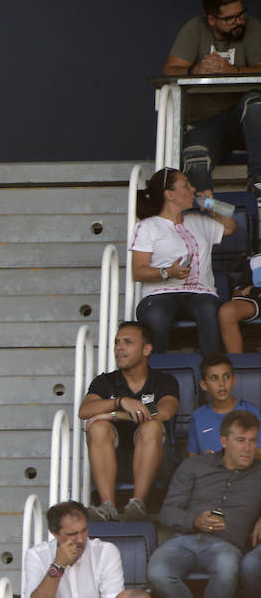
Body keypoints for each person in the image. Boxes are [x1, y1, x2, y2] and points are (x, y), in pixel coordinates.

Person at [149, 409, 261, 598]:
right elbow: (168, 511)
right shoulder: (195, 466)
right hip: (183, 540)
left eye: (253, 441)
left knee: (227, 569)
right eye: (241, 440)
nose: (248, 448)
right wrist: (195, 521)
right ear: (224, 441)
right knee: (158, 572)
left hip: (226, 546)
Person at [162, 0, 261, 202]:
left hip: (244, 121)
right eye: (230, 18)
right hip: (205, 121)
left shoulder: (252, 27)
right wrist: (194, 70)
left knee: (256, 104)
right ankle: (204, 217)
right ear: (211, 19)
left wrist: (233, 71)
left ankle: (259, 189)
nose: (239, 21)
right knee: (194, 158)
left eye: (241, 14)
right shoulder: (195, 29)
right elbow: (170, 70)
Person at [79, 321, 180, 522]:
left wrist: (114, 414)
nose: (119, 348)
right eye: (117, 342)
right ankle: (108, 506)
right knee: (97, 427)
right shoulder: (105, 381)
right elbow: (85, 410)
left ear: (146, 349)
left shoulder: (164, 381)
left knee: (151, 426)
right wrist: (120, 401)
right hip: (112, 458)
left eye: (127, 342)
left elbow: (165, 412)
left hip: (157, 459)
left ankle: (138, 503)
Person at [130, 167, 236, 355]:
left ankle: (212, 377)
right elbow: (138, 271)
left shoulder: (199, 221)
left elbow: (231, 227)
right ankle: (156, 377)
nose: (192, 189)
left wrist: (211, 205)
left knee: (208, 311)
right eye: (186, 185)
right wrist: (167, 272)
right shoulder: (147, 226)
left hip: (201, 293)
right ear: (169, 194)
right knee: (157, 315)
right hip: (160, 293)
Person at [186, 353, 259, 454]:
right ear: (204, 385)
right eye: (214, 378)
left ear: (234, 380)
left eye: (226, 377)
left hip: (245, 469)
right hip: (210, 469)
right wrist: (204, 461)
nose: (221, 384)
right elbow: (192, 458)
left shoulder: (250, 412)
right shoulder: (198, 416)